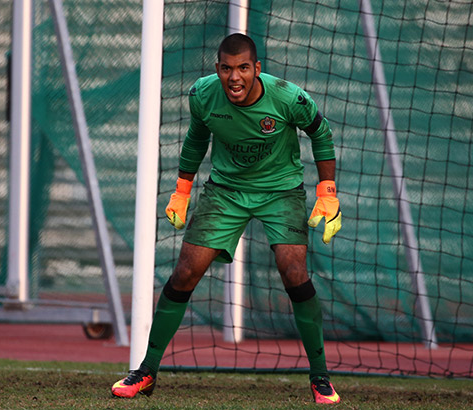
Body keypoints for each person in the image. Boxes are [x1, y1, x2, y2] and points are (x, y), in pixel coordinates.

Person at [111, 33, 342, 404]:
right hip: (225, 192)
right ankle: (146, 371)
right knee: (185, 272)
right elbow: (196, 138)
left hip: (281, 192)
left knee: (293, 271)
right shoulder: (202, 94)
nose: (235, 77)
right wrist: (182, 190)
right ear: (217, 69)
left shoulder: (288, 97)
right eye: (227, 69)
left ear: (257, 69)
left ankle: (320, 377)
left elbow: (322, 133)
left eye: (243, 68)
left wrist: (327, 192)